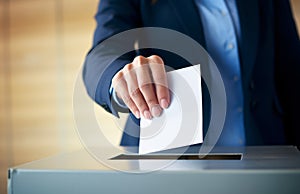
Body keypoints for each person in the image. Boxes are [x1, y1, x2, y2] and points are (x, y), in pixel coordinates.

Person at [83, 0, 300, 147]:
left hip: (266, 154)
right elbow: (102, 54)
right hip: (169, 163)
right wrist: (120, 77)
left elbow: (291, 70)